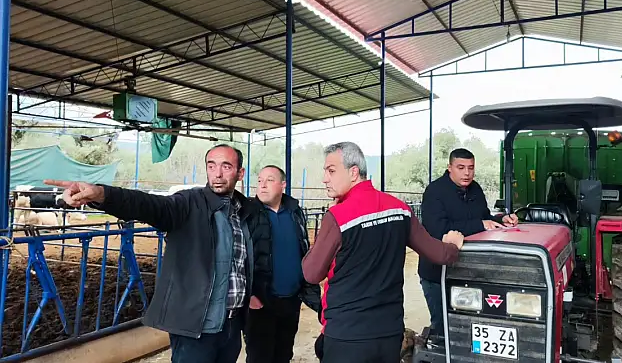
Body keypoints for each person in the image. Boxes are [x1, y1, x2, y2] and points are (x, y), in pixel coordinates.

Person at [45, 144, 258, 363]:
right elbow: (149, 205)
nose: (218, 174)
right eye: (211, 166)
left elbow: (243, 264)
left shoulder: (244, 212)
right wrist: (102, 194)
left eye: (226, 166)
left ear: (240, 173)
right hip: (196, 328)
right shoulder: (188, 204)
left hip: (231, 325)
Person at [302, 141, 465, 363]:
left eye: (331, 171)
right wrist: (452, 245)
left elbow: (311, 273)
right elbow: (438, 254)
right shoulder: (399, 208)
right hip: (389, 333)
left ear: (353, 172)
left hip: (347, 334)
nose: (324, 179)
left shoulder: (339, 216)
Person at [418, 148, 518, 331]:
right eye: (461, 167)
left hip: (469, 272)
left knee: (468, 328)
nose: (467, 173)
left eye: (471, 168)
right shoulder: (435, 191)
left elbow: (484, 217)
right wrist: (480, 224)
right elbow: (437, 230)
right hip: (438, 274)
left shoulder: (475, 189)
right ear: (449, 167)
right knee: (444, 328)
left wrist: (500, 219)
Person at [244, 165, 321, 363]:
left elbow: (303, 249)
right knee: (260, 357)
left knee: (284, 354)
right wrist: (249, 294)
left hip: (291, 300)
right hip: (261, 303)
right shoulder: (248, 214)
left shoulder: (295, 212)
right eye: (259, 181)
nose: (262, 185)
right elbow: (238, 257)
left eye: (269, 180)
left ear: (283, 185)